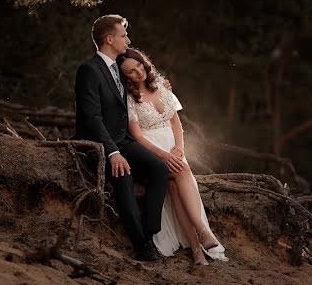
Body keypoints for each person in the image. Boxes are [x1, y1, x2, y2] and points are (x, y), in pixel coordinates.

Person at [116, 48, 227, 266]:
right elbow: (137, 135)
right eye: (131, 71)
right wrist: (163, 155)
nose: (138, 72)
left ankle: (197, 250)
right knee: (182, 171)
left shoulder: (160, 85)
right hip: (152, 148)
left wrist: (179, 148)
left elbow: (175, 121)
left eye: (139, 65)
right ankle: (203, 232)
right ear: (125, 76)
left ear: (144, 62)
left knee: (176, 187)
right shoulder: (130, 97)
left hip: (173, 146)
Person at [74, 15, 169, 262]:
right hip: (97, 143)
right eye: (123, 35)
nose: (128, 39)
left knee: (159, 168)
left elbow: (141, 84)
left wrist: (160, 87)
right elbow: (92, 118)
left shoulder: (120, 66)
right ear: (109, 39)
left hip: (123, 140)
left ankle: (150, 234)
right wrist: (113, 152)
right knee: (123, 176)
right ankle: (141, 246)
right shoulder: (89, 71)